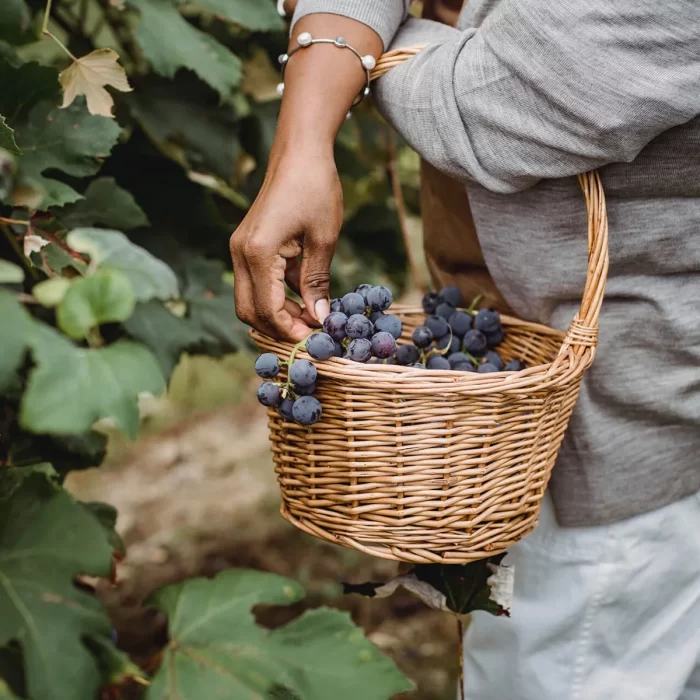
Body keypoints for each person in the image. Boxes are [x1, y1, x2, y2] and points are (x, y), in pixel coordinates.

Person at [230, 1, 700, 698]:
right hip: (497, 415)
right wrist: (303, 140)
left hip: (623, 431)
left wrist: (336, 44)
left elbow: (490, 101)